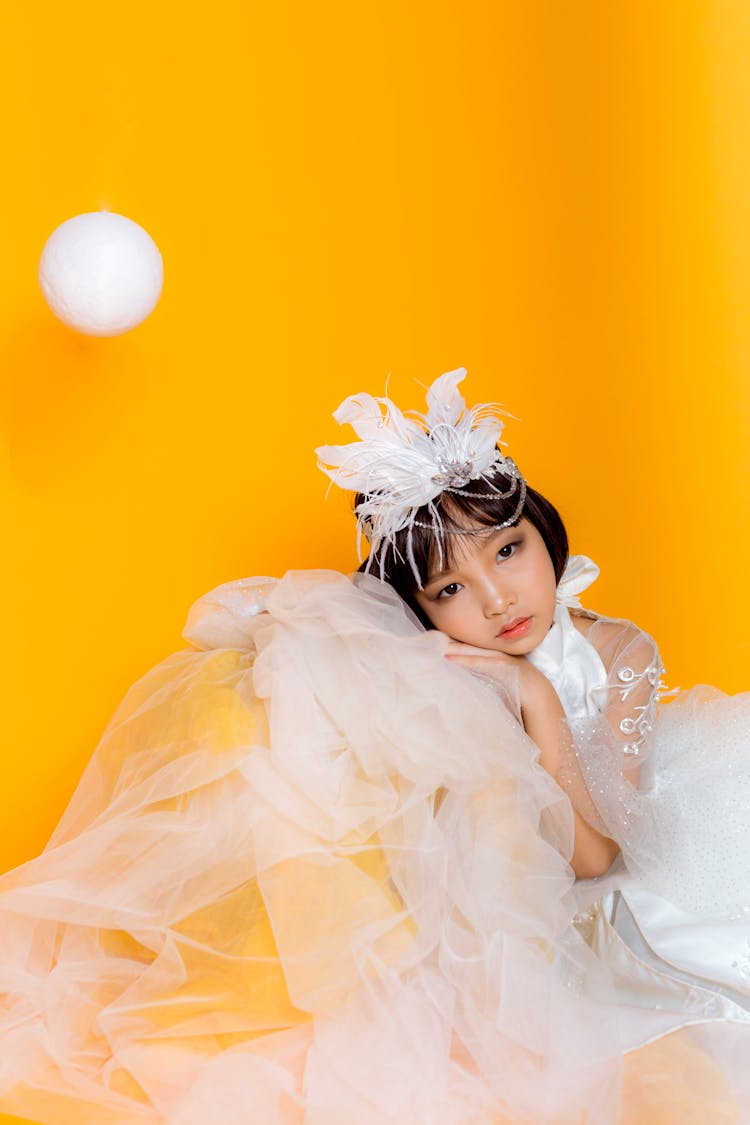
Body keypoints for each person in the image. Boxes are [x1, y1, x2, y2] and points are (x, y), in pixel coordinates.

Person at [0, 369, 748, 1125]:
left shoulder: (616, 649)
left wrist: (539, 700)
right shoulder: (436, 668)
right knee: (248, 684)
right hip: (463, 918)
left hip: (579, 918)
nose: (496, 598)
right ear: (418, 608)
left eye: (507, 549)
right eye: (448, 589)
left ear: (543, 532)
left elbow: (594, 859)